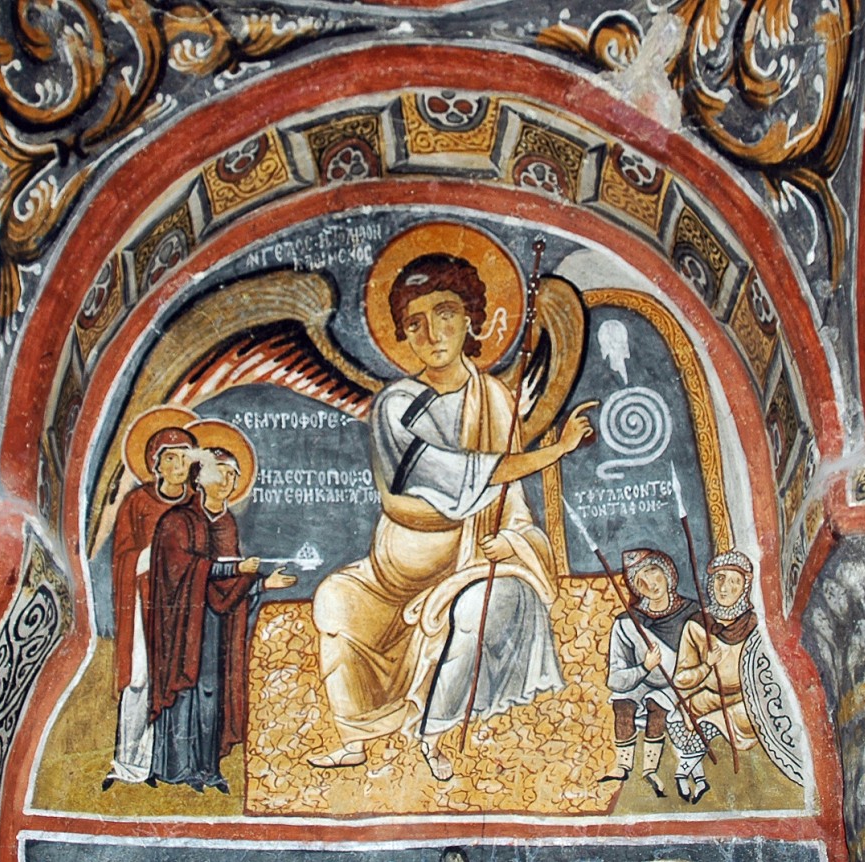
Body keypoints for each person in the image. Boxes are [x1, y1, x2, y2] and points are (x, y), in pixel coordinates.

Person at [309, 253, 595, 780]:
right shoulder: (396, 405)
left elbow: (510, 500)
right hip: (391, 579)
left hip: (469, 563)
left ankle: (433, 734)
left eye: (444, 314)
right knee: (334, 599)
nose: (432, 333)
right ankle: (354, 739)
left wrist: (512, 542)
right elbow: (442, 483)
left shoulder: (495, 401)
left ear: (470, 320)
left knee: (484, 605)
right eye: (415, 323)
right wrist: (554, 452)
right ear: (402, 335)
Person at [147, 441, 295, 792]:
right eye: (222, 473)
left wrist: (262, 583)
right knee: (186, 691)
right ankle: (176, 768)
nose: (229, 481)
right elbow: (182, 570)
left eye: (233, 475)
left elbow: (228, 587)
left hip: (216, 624)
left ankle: (207, 768)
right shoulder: (177, 521)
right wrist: (235, 569)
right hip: (183, 627)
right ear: (200, 478)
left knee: (213, 692)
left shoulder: (226, 524)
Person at [104, 421, 196, 790]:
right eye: (170, 458)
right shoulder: (137, 503)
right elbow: (123, 556)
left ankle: (167, 763)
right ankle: (129, 763)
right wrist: (157, 555)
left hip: (185, 608)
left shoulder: (197, 504)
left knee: (178, 682)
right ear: (156, 464)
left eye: (184, 458)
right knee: (140, 679)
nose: (177, 466)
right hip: (145, 603)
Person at [602, 548, 696, 797]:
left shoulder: (692, 613)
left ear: (667, 572)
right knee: (622, 703)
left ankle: (650, 770)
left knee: (658, 704)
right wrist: (644, 667)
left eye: (653, 572)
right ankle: (623, 766)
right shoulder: (627, 622)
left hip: (678, 682)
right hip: (642, 678)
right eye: (640, 580)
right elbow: (615, 678)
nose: (649, 584)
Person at [670, 549, 760, 803]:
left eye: (734, 581)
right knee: (675, 718)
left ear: (744, 587)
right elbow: (681, 679)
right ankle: (699, 779)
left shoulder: (755, 626)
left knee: (713, 724)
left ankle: (682, 773)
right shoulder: (697, 625)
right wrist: (706, 666)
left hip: (743, 702)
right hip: (707, 696)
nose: (725, 587)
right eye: (720, 578)